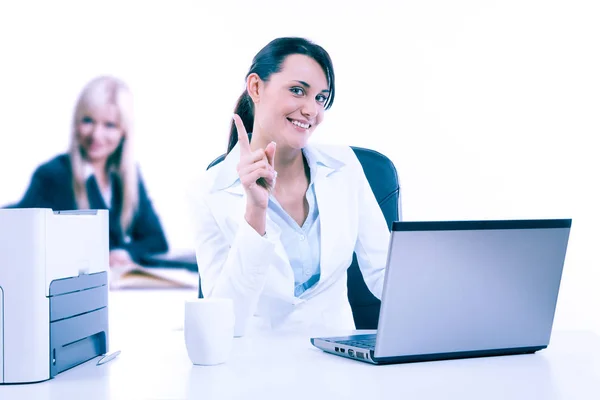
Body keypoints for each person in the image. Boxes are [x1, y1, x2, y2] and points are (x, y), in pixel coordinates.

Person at [190, 37, 389, 336]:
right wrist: (255, 214)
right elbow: (225, 321)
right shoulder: (208, 191)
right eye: (298, 91)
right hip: (253, 368)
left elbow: (386, 274)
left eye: (321, 98)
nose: (312, 110)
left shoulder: (345, 166)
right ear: (256, 87)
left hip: (340, 367)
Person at [17, 76, 168, 267]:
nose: (96, 135)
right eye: (88, 121)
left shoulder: (126, 177)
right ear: (76, 124)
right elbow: (28, 245)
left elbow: (156, 241)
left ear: (124, 132)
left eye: (110, 125)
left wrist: (125, 253)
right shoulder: (52, 175)